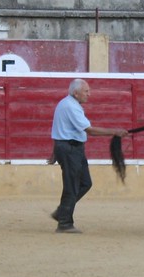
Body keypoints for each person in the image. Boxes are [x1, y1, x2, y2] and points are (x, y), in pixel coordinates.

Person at [49, 79, 128, 233]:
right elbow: (89, 130)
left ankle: (62, 212)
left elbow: (60, 127)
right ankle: (64, 223)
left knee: (85, 183)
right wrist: (114, 131)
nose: (89, 94)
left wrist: (55, 151)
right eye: (86, 91)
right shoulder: (71, 106)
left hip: (71, 147)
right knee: (72, 185)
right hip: (70, 148)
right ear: (76, 93)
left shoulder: (67, 104)